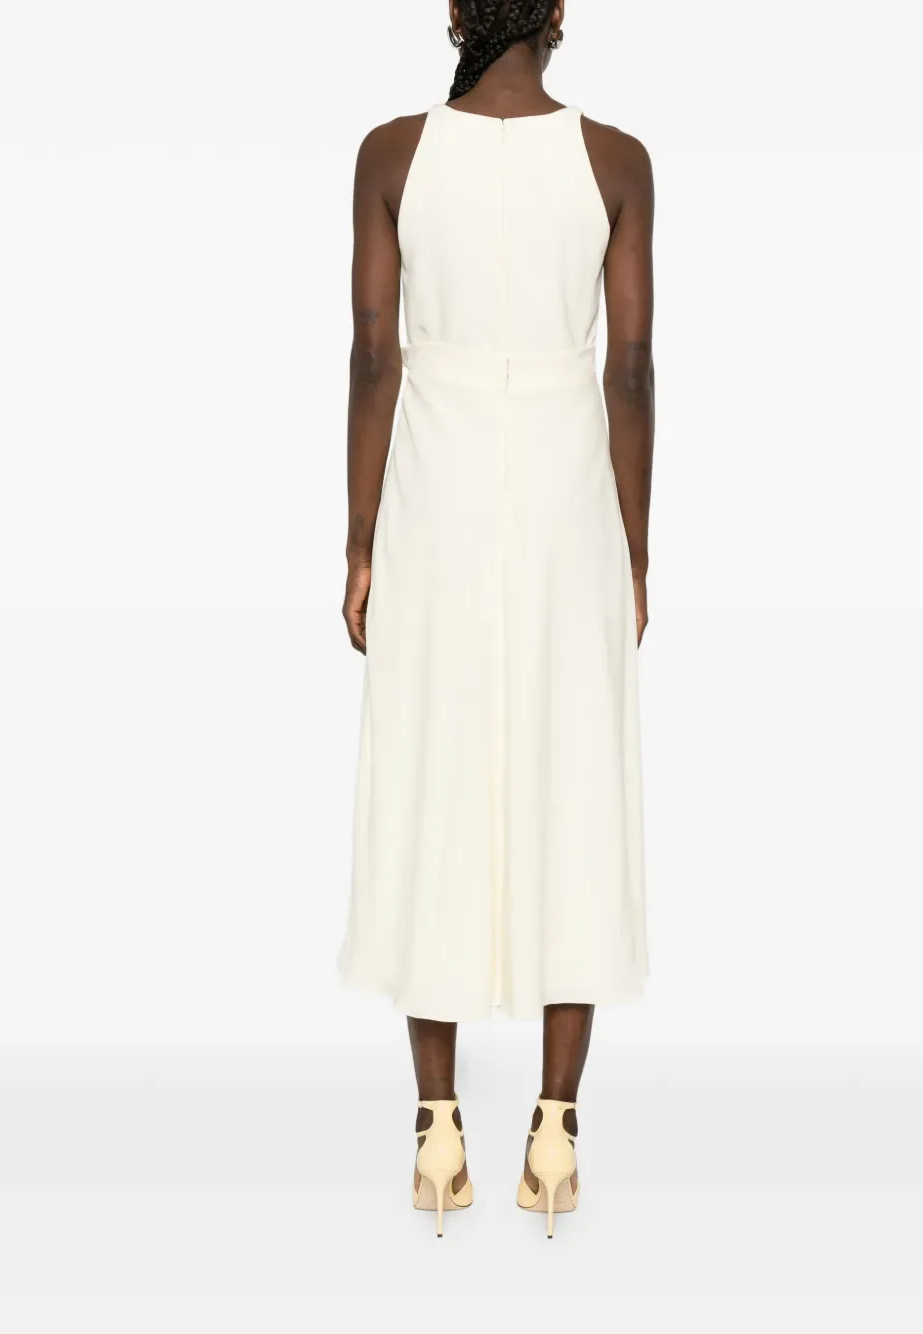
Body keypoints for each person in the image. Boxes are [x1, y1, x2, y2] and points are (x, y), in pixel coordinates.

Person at [337, 0, 654, 1238]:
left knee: (435, 770)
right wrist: (633, 544)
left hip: (438, 487)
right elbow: (630, 366)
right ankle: (556, 1129)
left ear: (457, 13)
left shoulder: (392, 154)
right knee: (574, 776)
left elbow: (375, 354)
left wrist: (360, 539)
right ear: (559, 16)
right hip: (569, 488)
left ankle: (437, 1128)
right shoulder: (616, 162)